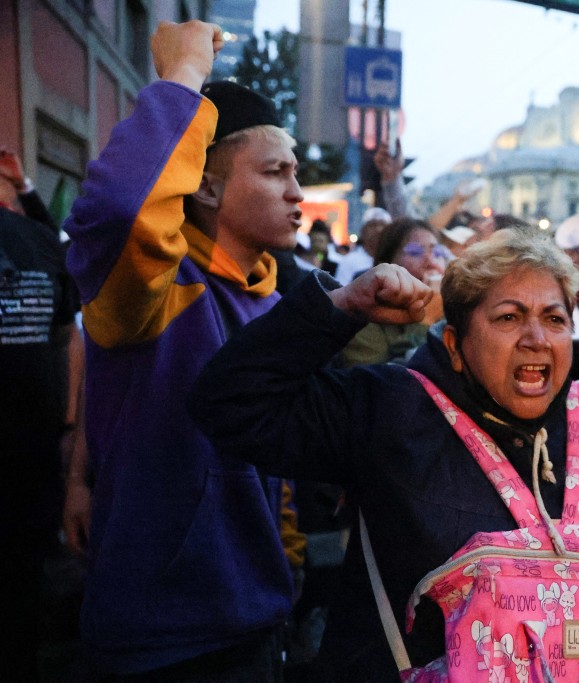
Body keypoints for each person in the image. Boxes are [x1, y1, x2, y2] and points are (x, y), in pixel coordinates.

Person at [188, 226, 579, 681]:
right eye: (508, 317)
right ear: (455, 344)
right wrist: (342, 306)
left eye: (554, 318)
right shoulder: (392, 408)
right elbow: (228, 405)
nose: (536, 339)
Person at [63, 20, 305, 680]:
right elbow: (120, 208)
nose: (298, 193)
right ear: (203, 186)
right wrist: (184, 72)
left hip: (260, 618)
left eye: (297, 172)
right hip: (161, 636)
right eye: (275, 171)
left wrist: (287, 559)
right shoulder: (151, 286)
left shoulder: (280, 298)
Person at [0, 148, 79, 681]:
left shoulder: (35, 240)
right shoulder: (39, 241)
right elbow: (68, 322)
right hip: (35, 444)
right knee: (23, 584)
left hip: (29, 444)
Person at [337, 218, 446, 367]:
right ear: (387, 264)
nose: (431, 262)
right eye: (415, 252)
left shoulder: (454, 310)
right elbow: (383, 383)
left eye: (437, 252)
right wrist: (425, 320)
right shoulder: (365, 319)